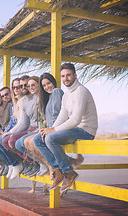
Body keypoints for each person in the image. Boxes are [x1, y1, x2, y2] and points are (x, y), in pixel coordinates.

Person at [34, 63, 98, 194]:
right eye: (63, 76)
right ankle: (57, 170)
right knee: (38, 139)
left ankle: (69, 173)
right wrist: (50, 128)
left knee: (51, 138)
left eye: (68, 75)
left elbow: (75, 120)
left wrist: (53, 131)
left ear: (75, 75)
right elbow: (63, 116)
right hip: (74, 130)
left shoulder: (81, 91)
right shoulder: (67, 95)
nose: (66, 78)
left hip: (85, 131)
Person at [1, 75, 41, 179]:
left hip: (38, 128)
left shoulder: (37, 97)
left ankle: (35, 162)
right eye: (21, 86)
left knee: (12, 140)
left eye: (25, 85)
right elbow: (23, 122)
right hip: (30, 128)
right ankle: (20, 163)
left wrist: (11, 133)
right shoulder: (22, 101)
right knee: (5, 141)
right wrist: (10, 132)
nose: (23, 87)